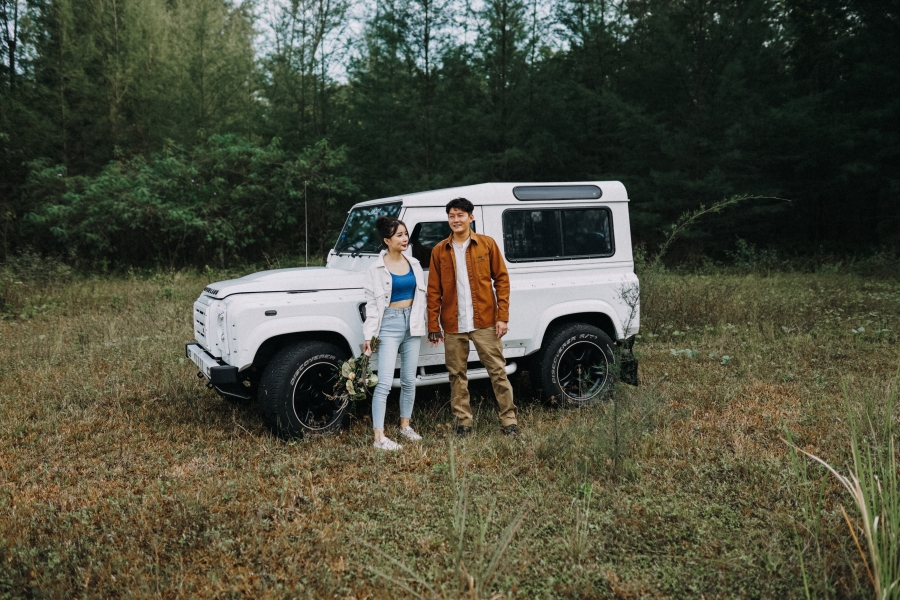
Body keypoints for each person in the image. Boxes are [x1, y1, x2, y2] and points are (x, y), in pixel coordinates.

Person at [426, 198, 518, 438]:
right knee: (457, 374)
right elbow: (434, 290)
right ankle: (463, 423)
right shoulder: (439, 251)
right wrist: (433, 323)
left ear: (471, 217)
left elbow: (502, 279)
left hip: (485, 320)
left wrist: (503, 316)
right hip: (453, 323)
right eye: (452, 216)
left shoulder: (486, 245)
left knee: (497, 371)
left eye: (460, 215)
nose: (456, 220)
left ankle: (509, 421)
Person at [362, 216, 428, 451]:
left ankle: (404, 426)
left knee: (410, 380)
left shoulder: (414, 264)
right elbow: (371, 305)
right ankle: (379, 438)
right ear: (386, 240)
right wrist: (369, 336)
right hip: (388, 326)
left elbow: (422, 297)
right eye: (399, 235)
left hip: (412, 324)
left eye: (405, 234)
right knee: (385, 383)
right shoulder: (375, 269)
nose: (405, 238)